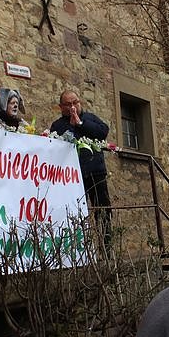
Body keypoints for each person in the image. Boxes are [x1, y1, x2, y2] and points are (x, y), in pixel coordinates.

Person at [50, 90, 111, 238]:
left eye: (75, 102)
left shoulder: (90, 118)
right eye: (68, 104)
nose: (72, 107)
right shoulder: (58, 125)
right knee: (75, 212)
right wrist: (72, 126)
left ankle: (106, 246)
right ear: (61, 107)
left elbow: (103, 132)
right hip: (73, 176)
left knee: (103, 210)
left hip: (96, 172)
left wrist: (80, 124)